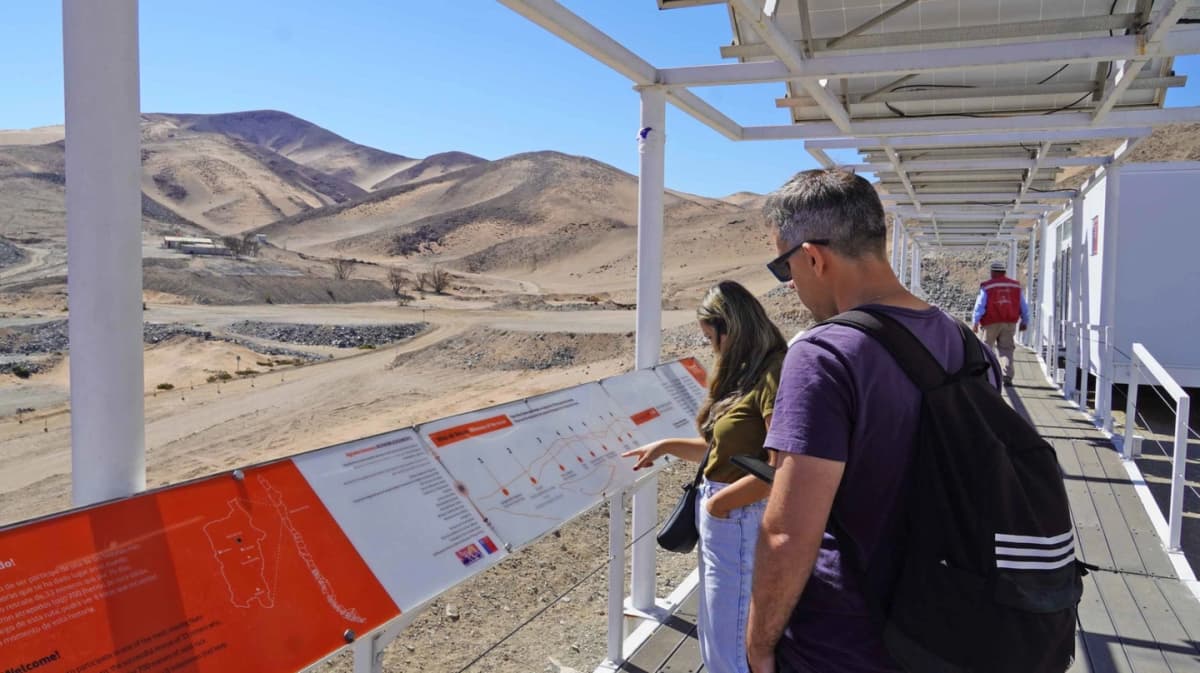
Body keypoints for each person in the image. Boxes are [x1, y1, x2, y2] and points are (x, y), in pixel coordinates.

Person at [745, 169, 996, 673]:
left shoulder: (823, 354)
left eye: (783, 267)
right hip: (951, 623)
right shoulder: (966, 343)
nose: (790, 283)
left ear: (813, 256)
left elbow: (787, 533)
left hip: (846, 643)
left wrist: (758, 644)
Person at [623, 280, 786, 673]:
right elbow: (723, 454)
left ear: (729, 328)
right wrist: (664, 446)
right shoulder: (750, 373)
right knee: (718, 633)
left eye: (711, 337)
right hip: (729, 514)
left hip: (741, 515)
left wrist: (717, 506)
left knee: (730, 642)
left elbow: (781, 465)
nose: (712, 347)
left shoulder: (771, 375)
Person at [972, 260, 1030, 386]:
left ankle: (987, 374)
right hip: (1009, 322)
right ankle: (1007, 376)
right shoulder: (1015, 286)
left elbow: (980, 305)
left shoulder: (987, 286)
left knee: (986, 348)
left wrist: (975, 321)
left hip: (990, 322)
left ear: (993, 272)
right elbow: (1023, 306)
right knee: (1007, 349)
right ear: (1004, 272)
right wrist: (1025, 321)